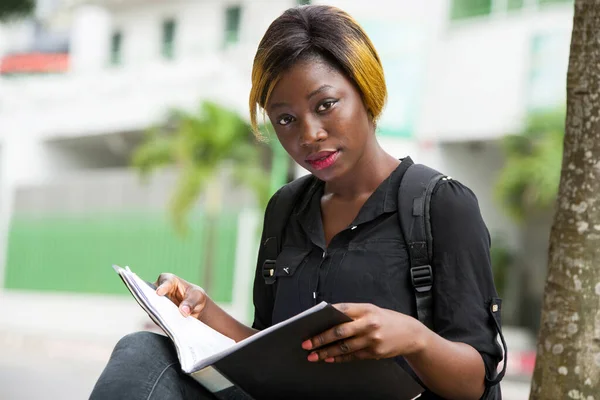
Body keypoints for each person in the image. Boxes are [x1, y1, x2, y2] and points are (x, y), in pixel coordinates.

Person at [90, 5, 503, 400]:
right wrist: (203, 312)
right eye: (285, 119)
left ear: (366, 89)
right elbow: (267, 355)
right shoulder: (285, 209)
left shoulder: (441, 205)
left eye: (326, 105)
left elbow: (476, 382)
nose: (310, 135)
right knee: (143, 351)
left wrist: (415, 338)